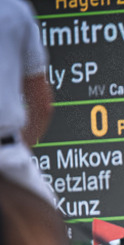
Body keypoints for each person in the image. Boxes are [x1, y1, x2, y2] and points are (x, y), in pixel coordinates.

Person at [0, 0, 57, 205]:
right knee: (50, 220)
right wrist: (20, 144)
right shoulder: (17, 10)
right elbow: (42, 106)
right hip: (7, 154)